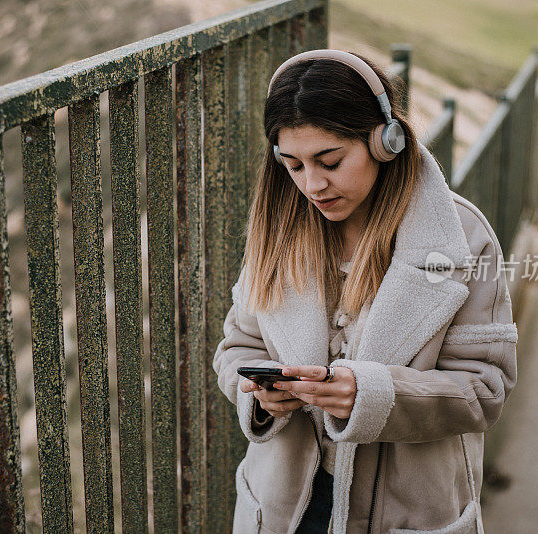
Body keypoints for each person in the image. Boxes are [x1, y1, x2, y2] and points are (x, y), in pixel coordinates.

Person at [212, 49, 518, 534]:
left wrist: (374, 395)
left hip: (406, 514)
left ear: (385, 141)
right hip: (284, 508)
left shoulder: (462, 238)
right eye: (292, 166)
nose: (312, 184)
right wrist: (258, 394)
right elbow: (237, 349)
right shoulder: (276, 228)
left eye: (329, 160)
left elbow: (486, 388)